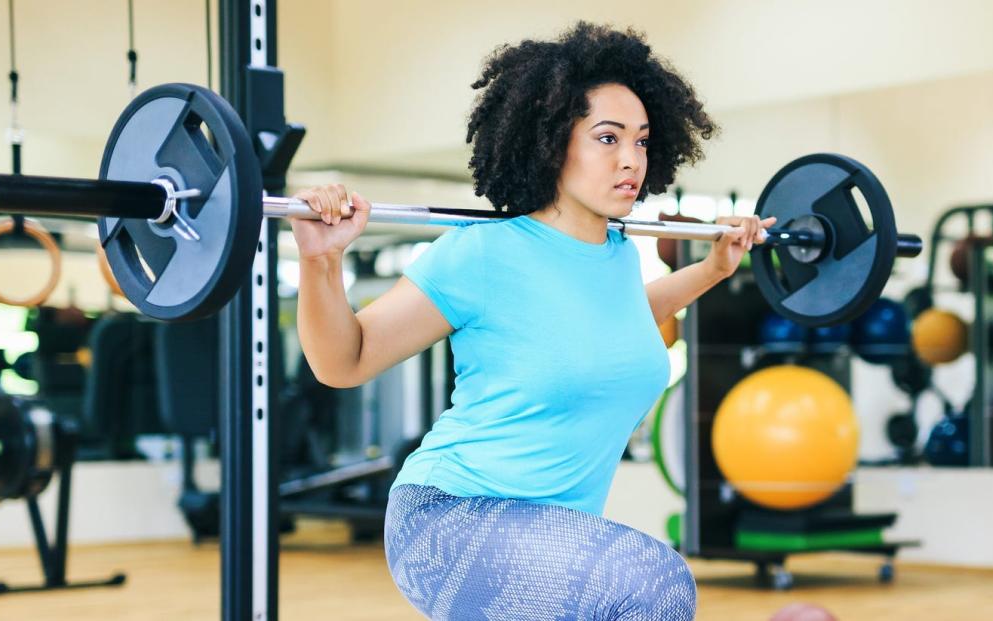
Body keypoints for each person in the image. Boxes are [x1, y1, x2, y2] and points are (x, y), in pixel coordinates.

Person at [290, 22, 771, 621]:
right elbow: (344, 361)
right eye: (607, 138)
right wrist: (322, 260)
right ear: (550, 141)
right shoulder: (483, 253)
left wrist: (714, 270)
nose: (631, 160)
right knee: (655, 585)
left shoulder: (618, 255)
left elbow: (608, 327)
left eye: (643, 141)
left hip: (550, 530)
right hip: (449, 517)